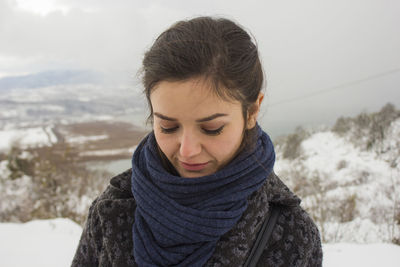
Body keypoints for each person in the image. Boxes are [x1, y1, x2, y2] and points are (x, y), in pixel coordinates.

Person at [72, 16, 322, 267]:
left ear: (252, 111)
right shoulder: (113, 209)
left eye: (211, 128)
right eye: (168, 127)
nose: (187, 150)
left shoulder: (289, 234)